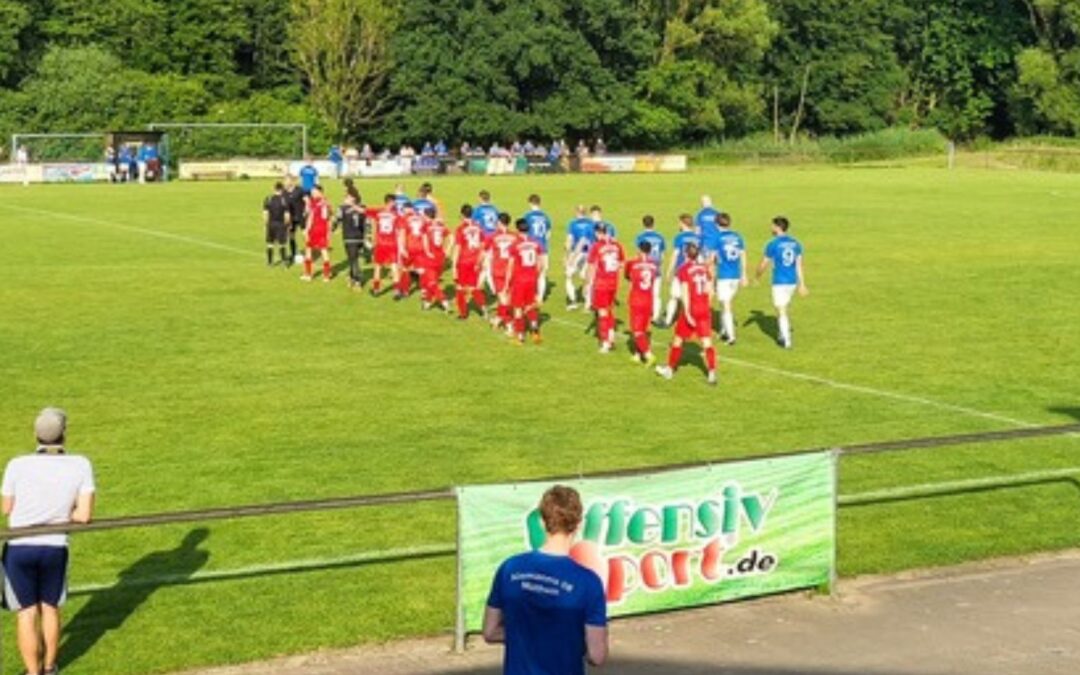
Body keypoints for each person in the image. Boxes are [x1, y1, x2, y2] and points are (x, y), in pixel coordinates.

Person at [2, 407, 95, 675]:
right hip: (55, 546)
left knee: (26, 613)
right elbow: (84, 514)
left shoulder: (17, 464)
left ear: (36, 434)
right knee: (50, 608)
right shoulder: (80, 464)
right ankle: (50, 667)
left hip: (19, 547)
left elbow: (6, 508)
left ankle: (32, 673)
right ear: (64, 434)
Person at [483, 485, 607, 675]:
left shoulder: (509, 568)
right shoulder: (588, 583)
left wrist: (527, 636)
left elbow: (490, 632)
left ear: (541, 522)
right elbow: (596, 655)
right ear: (579, 524)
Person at [656, 242, 718, 385]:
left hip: (692, 308)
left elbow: (685, 293)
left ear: (685, 254)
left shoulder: (684, 269)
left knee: (678, 339)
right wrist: (707, 306)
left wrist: (688, 313)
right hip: (704, 308)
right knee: (706, 341)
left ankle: (670, 370)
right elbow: (710, 290)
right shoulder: (704, 269)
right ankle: (712, 372)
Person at [755, 216, 808, 349]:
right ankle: (782, 333)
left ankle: (786, 340)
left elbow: (764, 263)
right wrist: (802, 284)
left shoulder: (773, 244)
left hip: (779, 281)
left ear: (778, 227)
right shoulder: (796, 244)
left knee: (781, 309)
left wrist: (757, 276)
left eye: (772, 226)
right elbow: (799, 265)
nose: (771, 228)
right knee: (784, 308)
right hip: (792, 281)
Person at [504, 218, 546, 345]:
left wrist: (506, 283)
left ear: (517, 229)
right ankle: (535, 330)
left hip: (519, 280)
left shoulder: (515, 245)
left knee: (517, 307)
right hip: (532, 279)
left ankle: (520, 336)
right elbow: (541, 263)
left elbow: (510, 266)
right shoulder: (536, 243)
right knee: (530, 304)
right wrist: (535, 275)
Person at [586, 224, 625, 353]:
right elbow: (622, 263)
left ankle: (605, 343)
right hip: (614, 282)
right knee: (609, 309)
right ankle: (611, 336)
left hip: (601, 283)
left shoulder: (596, 246)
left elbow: (591, 266)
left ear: (598, 233)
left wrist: (588, 284)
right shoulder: (617, 245)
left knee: (602, 312)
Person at [712, 213, 748, 345]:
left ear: (716, 224)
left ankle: (731, 336)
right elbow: (743, 255)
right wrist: (744, 274)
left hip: (724, 275)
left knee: (726, 305)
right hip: (736, 275)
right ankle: (723, 330)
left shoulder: (717, 238)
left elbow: (712, 258)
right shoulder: (738, 237)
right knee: (724, 303)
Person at [625, 240, 660, 366]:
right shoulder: (654, 265)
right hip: (649, 300)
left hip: (637, 300)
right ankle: (637, 354)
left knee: (637, 330)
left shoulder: (633, 263)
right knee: (643, 329)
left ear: (639, 250)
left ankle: (648, 354)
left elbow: (628, 277)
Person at [663, 214, 701, 327]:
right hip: (694, 271)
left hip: (681, 270)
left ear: (683, 223)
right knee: (691, 296)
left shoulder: (679, 237)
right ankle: (692, 318)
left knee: (674, 296)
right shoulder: (697, 237)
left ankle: (668, 320)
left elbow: (675, 254)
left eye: (679, 222)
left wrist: (669, 270)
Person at [484, 213, 520, 332]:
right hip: (512, 270)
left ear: (499, 222)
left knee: (503, 298)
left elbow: (486, 253)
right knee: (507, 297)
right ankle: (498, 319)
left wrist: (483, 266)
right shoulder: (515, 236)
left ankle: (509, 324)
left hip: (498, 270)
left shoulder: (493, 236)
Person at [451, 205, 487, 320]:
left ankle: (463, 313)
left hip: (464, 261)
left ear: (462, 215)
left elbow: (457, 248)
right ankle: (483, 308)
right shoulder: (479, 228)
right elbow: (483, 246)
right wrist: (480, 260)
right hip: (475, 261)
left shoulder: (460, 229)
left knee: (459, 287)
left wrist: (453, 265)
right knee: (474, 287)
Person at [634, 215, 666, 324]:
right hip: (656, 267)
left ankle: (644, 313)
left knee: (643, 292)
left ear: (643, 224)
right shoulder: (660, 236)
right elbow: (662, 254)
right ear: (653, 223)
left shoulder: (640, 237)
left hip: (644, 268)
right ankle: (656, 315)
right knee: (656, 293)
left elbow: (638, 253)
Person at [369, 194, 402, 295]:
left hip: (380, 243)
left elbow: (365, 210)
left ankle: (376, 289)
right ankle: (396, 289)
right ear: (391, 202)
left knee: (378, 266)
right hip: (392, 243)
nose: (395, 204)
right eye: (394, 202)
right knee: (394, 266)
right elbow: (399, 230)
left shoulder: (378, 211)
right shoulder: (396, 214)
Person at [395, 203, 428, 300]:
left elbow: (402, 233)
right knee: (421, 270)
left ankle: (405, 291)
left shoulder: (404, 218)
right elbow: (425, 234)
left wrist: (401, 248)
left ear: (406, 209)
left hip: (409, 247)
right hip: (420, 247)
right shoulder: (421, 218)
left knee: (405, 269)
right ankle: (424, 292)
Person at [564, 205, 595, 310]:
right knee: (586, 277)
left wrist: (567, 256)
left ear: (577, 212)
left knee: (569, 276)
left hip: (577, 252)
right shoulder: (592, 223)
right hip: (590, 253)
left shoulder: (573, 224)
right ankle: (588, 302)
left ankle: (573, 301)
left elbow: (569, 240)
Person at [419, 208, 450, 311]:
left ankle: (444, 300)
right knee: (432, 281)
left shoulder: (426, 226)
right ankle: (427, 303)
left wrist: (427, 251)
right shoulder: (441, 226)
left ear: (427, 216)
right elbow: (451, 237)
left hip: (430, 257)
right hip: (440, 257)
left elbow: (424, 241)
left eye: (423, 215)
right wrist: (447, 251)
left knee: (432, 283)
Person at [335, 188, 367, 290]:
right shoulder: (345, 208)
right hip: (351, 238)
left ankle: (357, 281)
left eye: (347, 196)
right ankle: (352, 277)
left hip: (354, 237)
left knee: (354, 260)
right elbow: (336, 220)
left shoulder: (344, 208)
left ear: (353, 198)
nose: (345, 198)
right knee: (353, 259)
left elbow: (336, 219)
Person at [300, 185, 333, 282]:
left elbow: (310, 217)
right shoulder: (326, 202)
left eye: (314, 192)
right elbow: (329, 217)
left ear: (320, 192)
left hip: (314, 229)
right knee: (324, 251)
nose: (312, 194)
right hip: (323, 229)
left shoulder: (314, 203)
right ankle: (326, 276)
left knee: (309, 250)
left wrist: (306, 229)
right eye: (311, 192)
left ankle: (308, 274)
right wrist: (329, 231)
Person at [523, 194, 552, 299]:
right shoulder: (545, 216)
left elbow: (524, 231)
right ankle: (540, 296)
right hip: (543, 247)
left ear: (530, 203)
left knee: (530, 272)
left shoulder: (527, 216)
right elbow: (548, 234)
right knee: (542, 273)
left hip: (531, 248)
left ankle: (531, 294)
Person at [262, 182, 290, 266]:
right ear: (282, 189)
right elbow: (287, 215)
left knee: (270, 244)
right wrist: (287, 225)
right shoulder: (284, 200)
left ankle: (270, 262)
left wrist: (265, 225)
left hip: (271, 224)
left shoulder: (268, 198)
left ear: (274, 189)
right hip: (281, 224)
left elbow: (265, 214)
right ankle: (284, 262)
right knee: (282, 244)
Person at [284, 176, 307, 265]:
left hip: (301, 216)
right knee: (291, 236)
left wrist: (306, 211)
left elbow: (307, 201)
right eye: (284, 181)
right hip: (291, 218)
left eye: (286, 180)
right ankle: (293, 254)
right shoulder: (284, 192)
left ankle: (307, 254)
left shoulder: (300, 190)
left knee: (305, 235)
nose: (285, 182)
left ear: (291, 181)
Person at [696, 195, 722, 260]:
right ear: (711, 202)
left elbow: (698, 231)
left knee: (707, 264)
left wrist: (697, 245)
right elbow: (721, 229)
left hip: (706, 244)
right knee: (716, 264)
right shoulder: (717, 213)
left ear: (702, 204)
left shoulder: (700, 214)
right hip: (717, 243)